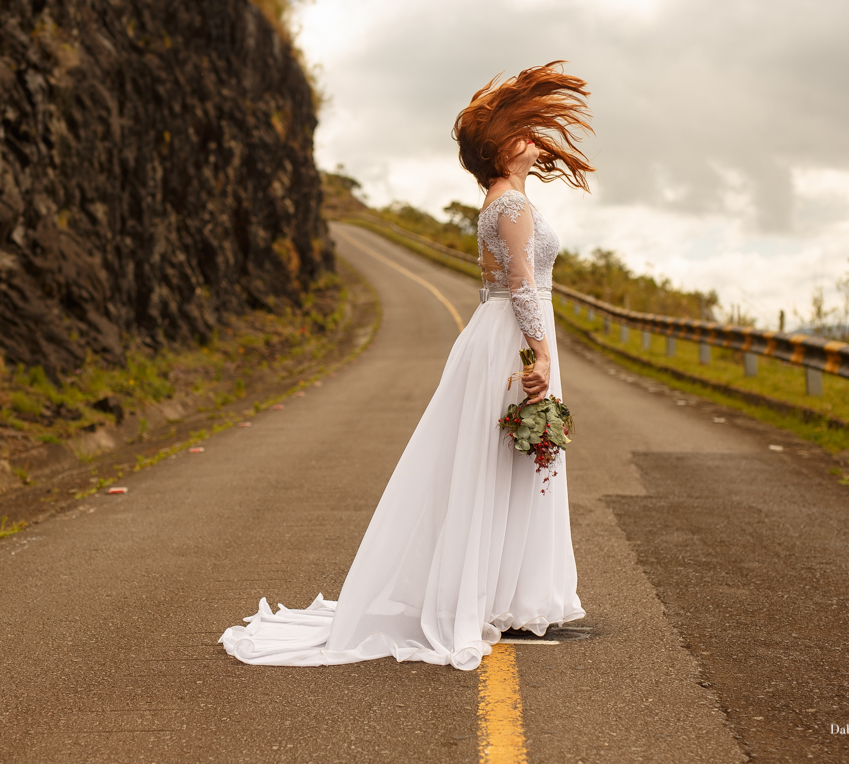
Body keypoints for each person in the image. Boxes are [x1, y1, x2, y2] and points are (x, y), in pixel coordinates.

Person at [220, 61, 594, 671]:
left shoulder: (506, 201)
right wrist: (544, 353)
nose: (530, 137)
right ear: (500, 149)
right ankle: (497, 596)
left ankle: (500, 593)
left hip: (500, 331)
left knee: (503, 460)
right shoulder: (511, 207)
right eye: (517, 131)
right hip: (514, 333)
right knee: (509, 459)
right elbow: (523, 284)